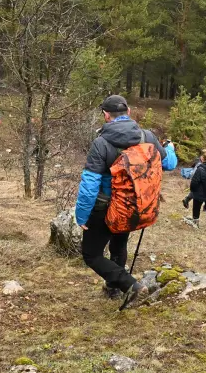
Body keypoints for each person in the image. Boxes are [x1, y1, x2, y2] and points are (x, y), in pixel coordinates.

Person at [73, 95, 178, 304]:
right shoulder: (147, 136)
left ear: (106, 115)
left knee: (91, 254)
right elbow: (169, 164)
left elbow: (90, 183)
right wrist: (171, 148)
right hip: (133, 204)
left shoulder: (101, 142)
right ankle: (114, 288)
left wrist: (81, 215)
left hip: (105, 206)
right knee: (119, 245)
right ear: (128, 112)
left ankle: (129, 285)